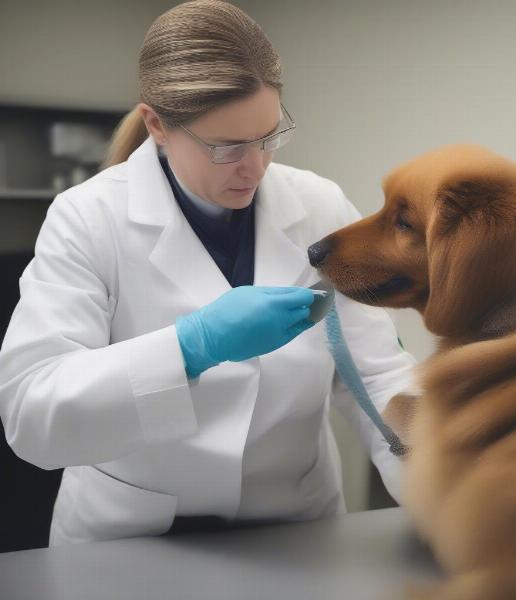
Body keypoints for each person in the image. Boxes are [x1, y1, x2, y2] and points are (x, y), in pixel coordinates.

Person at [0, 0, 416, 546]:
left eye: (269, 136)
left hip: (293, 531)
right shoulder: (87, 217)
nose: (257, 167)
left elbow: (377, 374)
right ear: (157, 125)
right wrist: (189, 348)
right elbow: (34, 413)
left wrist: (446, 484)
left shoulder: (319, 204)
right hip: (129, 542)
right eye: (227, 147)